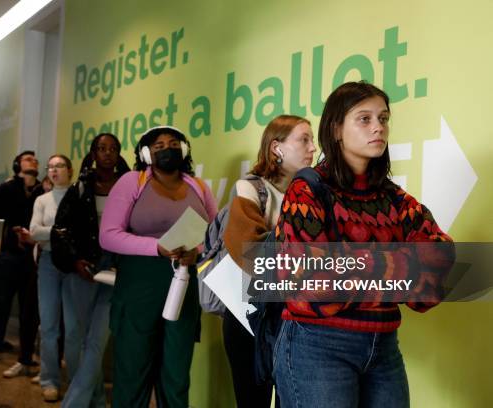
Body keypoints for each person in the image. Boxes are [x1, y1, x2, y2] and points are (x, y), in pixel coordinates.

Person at [272, 82, 453, 408]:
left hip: (384, 347)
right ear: (336, 128)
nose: (378, 127)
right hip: (318, 348)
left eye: (383, 118)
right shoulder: (307, 190)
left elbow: (438, 266)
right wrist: (400, 266)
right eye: (364, 119)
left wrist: (350, 264)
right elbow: (311, 289)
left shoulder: (394, 198)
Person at [100, 126, 217, 408]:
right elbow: (108, 235)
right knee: (133, 371)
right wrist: (156, 248)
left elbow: (215, 234)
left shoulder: (199, 187)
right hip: (139, 286)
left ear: (185, 150)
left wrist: (197, 252)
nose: (167, 149)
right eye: (159, 145)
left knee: (176, 374)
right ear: (145, 153)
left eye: (173, 143)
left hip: (183, 283)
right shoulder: (132, 181)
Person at [222, 115, 315, 407]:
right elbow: (250, 251)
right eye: (304, 140)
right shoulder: (250, 188)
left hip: (295, 318)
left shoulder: (314, 194)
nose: (313, 148)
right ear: (277, 148)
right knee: (253, 400)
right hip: (250, 317)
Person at [60, 133, 130, 407]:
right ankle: (98, 399)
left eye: (113, 149)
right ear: (92, 153)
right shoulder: (79, 188)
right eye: (102, 148)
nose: (108, 153)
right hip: (83, 269)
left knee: (97, 341)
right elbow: (62, 229)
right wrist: (75, 260)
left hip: (115, 272)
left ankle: (73, 403)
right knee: (77, 338)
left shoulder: (129, 187)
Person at [0, 150, 43, 380]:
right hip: (8, 255)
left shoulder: (41, 191)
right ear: (17, 165)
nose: (33, 161)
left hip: (33, 258)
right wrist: (9, 231)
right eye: (27, 159)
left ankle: (25, 357)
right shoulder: (6, 188)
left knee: (29, 308)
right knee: (1, 302)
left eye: (35, 159)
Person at [28, 154, 75, 402]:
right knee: (48, 325)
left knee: (74, 327)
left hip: (74, 265)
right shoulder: (42, 200)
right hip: (47, 262)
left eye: (60, 166)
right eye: (51, 167)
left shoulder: (78, 196)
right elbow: (34, 232)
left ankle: (76, 380)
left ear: (70, 169)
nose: (55, 171)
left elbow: (79, 232)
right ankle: (49, 380)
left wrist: (53, 234)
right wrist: (58, 232)